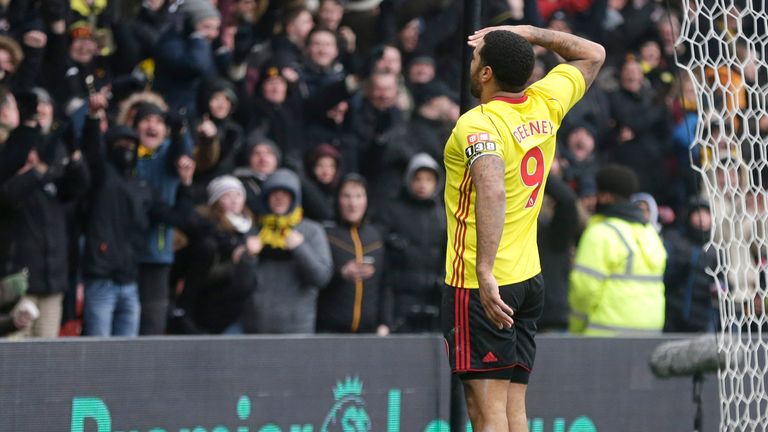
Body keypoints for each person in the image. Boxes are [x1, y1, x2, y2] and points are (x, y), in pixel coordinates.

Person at [442, 26, 604, 431]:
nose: (473, 61)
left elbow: (492, 190)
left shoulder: (477, 123)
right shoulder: (545, 101)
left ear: (486, 73)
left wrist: (484, 271)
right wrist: (530, 32)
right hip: (528, 279)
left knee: (486, 411)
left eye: (477, 58)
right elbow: (593, 53)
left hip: (483, 286)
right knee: (514, 408)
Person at [569, 164, 667, 336]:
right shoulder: (650, 233)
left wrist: (575, 330)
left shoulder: (600, 233)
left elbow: (584, 292)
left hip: (604, 335)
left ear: (605, 196)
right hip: (650, 332)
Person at [240, 168, 333, 334]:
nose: (279, 197)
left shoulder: (312, 231)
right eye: (274, 192)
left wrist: (300, 248)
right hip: (256, 330)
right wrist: (248, 258)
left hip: (297, 331)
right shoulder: (255, 232)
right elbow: (241, 286)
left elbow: (321, 277)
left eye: (285, 192)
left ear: (294, 198)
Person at [378, 153, 446, 333]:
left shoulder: (442, 215)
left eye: (429, 179)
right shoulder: (394, 210)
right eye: (418, 179)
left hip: (434, 295)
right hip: (402, 296)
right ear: (409, 180)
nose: (423, 184)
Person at [317, 174, 388, 334]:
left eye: (359, 196)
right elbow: (315, 279)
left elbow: (385, 284)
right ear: (337, 200)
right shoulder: (326, 235)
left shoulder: (376, 236)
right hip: (329, 331)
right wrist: (341, 273)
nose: (353, 203)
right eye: (346, 196)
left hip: (369, 331)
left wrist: (384, 322)